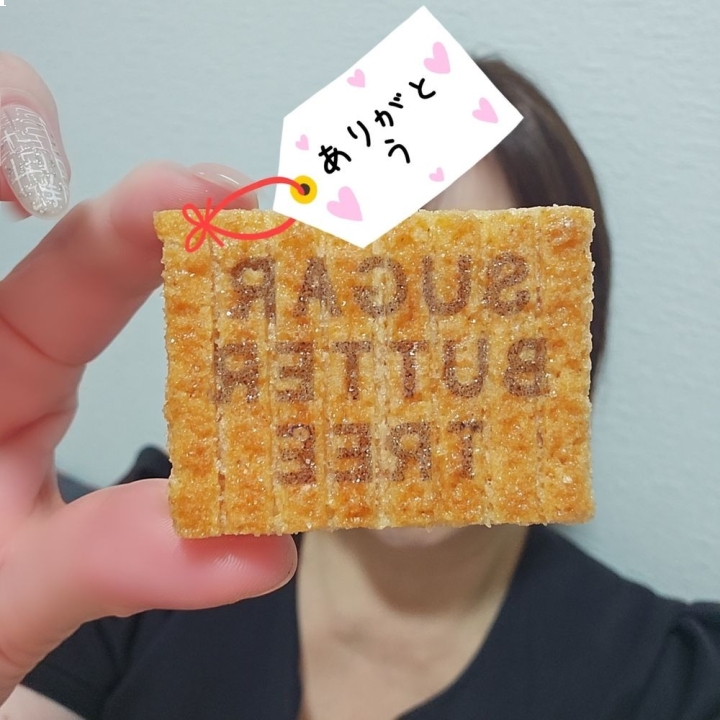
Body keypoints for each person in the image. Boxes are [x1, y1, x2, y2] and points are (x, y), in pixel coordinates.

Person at [0, 51, 718, 720]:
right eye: (367, 288)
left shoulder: (666, 680)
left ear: (572, 344)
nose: (419, 363)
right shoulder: (157, 544)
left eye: (494, 294)